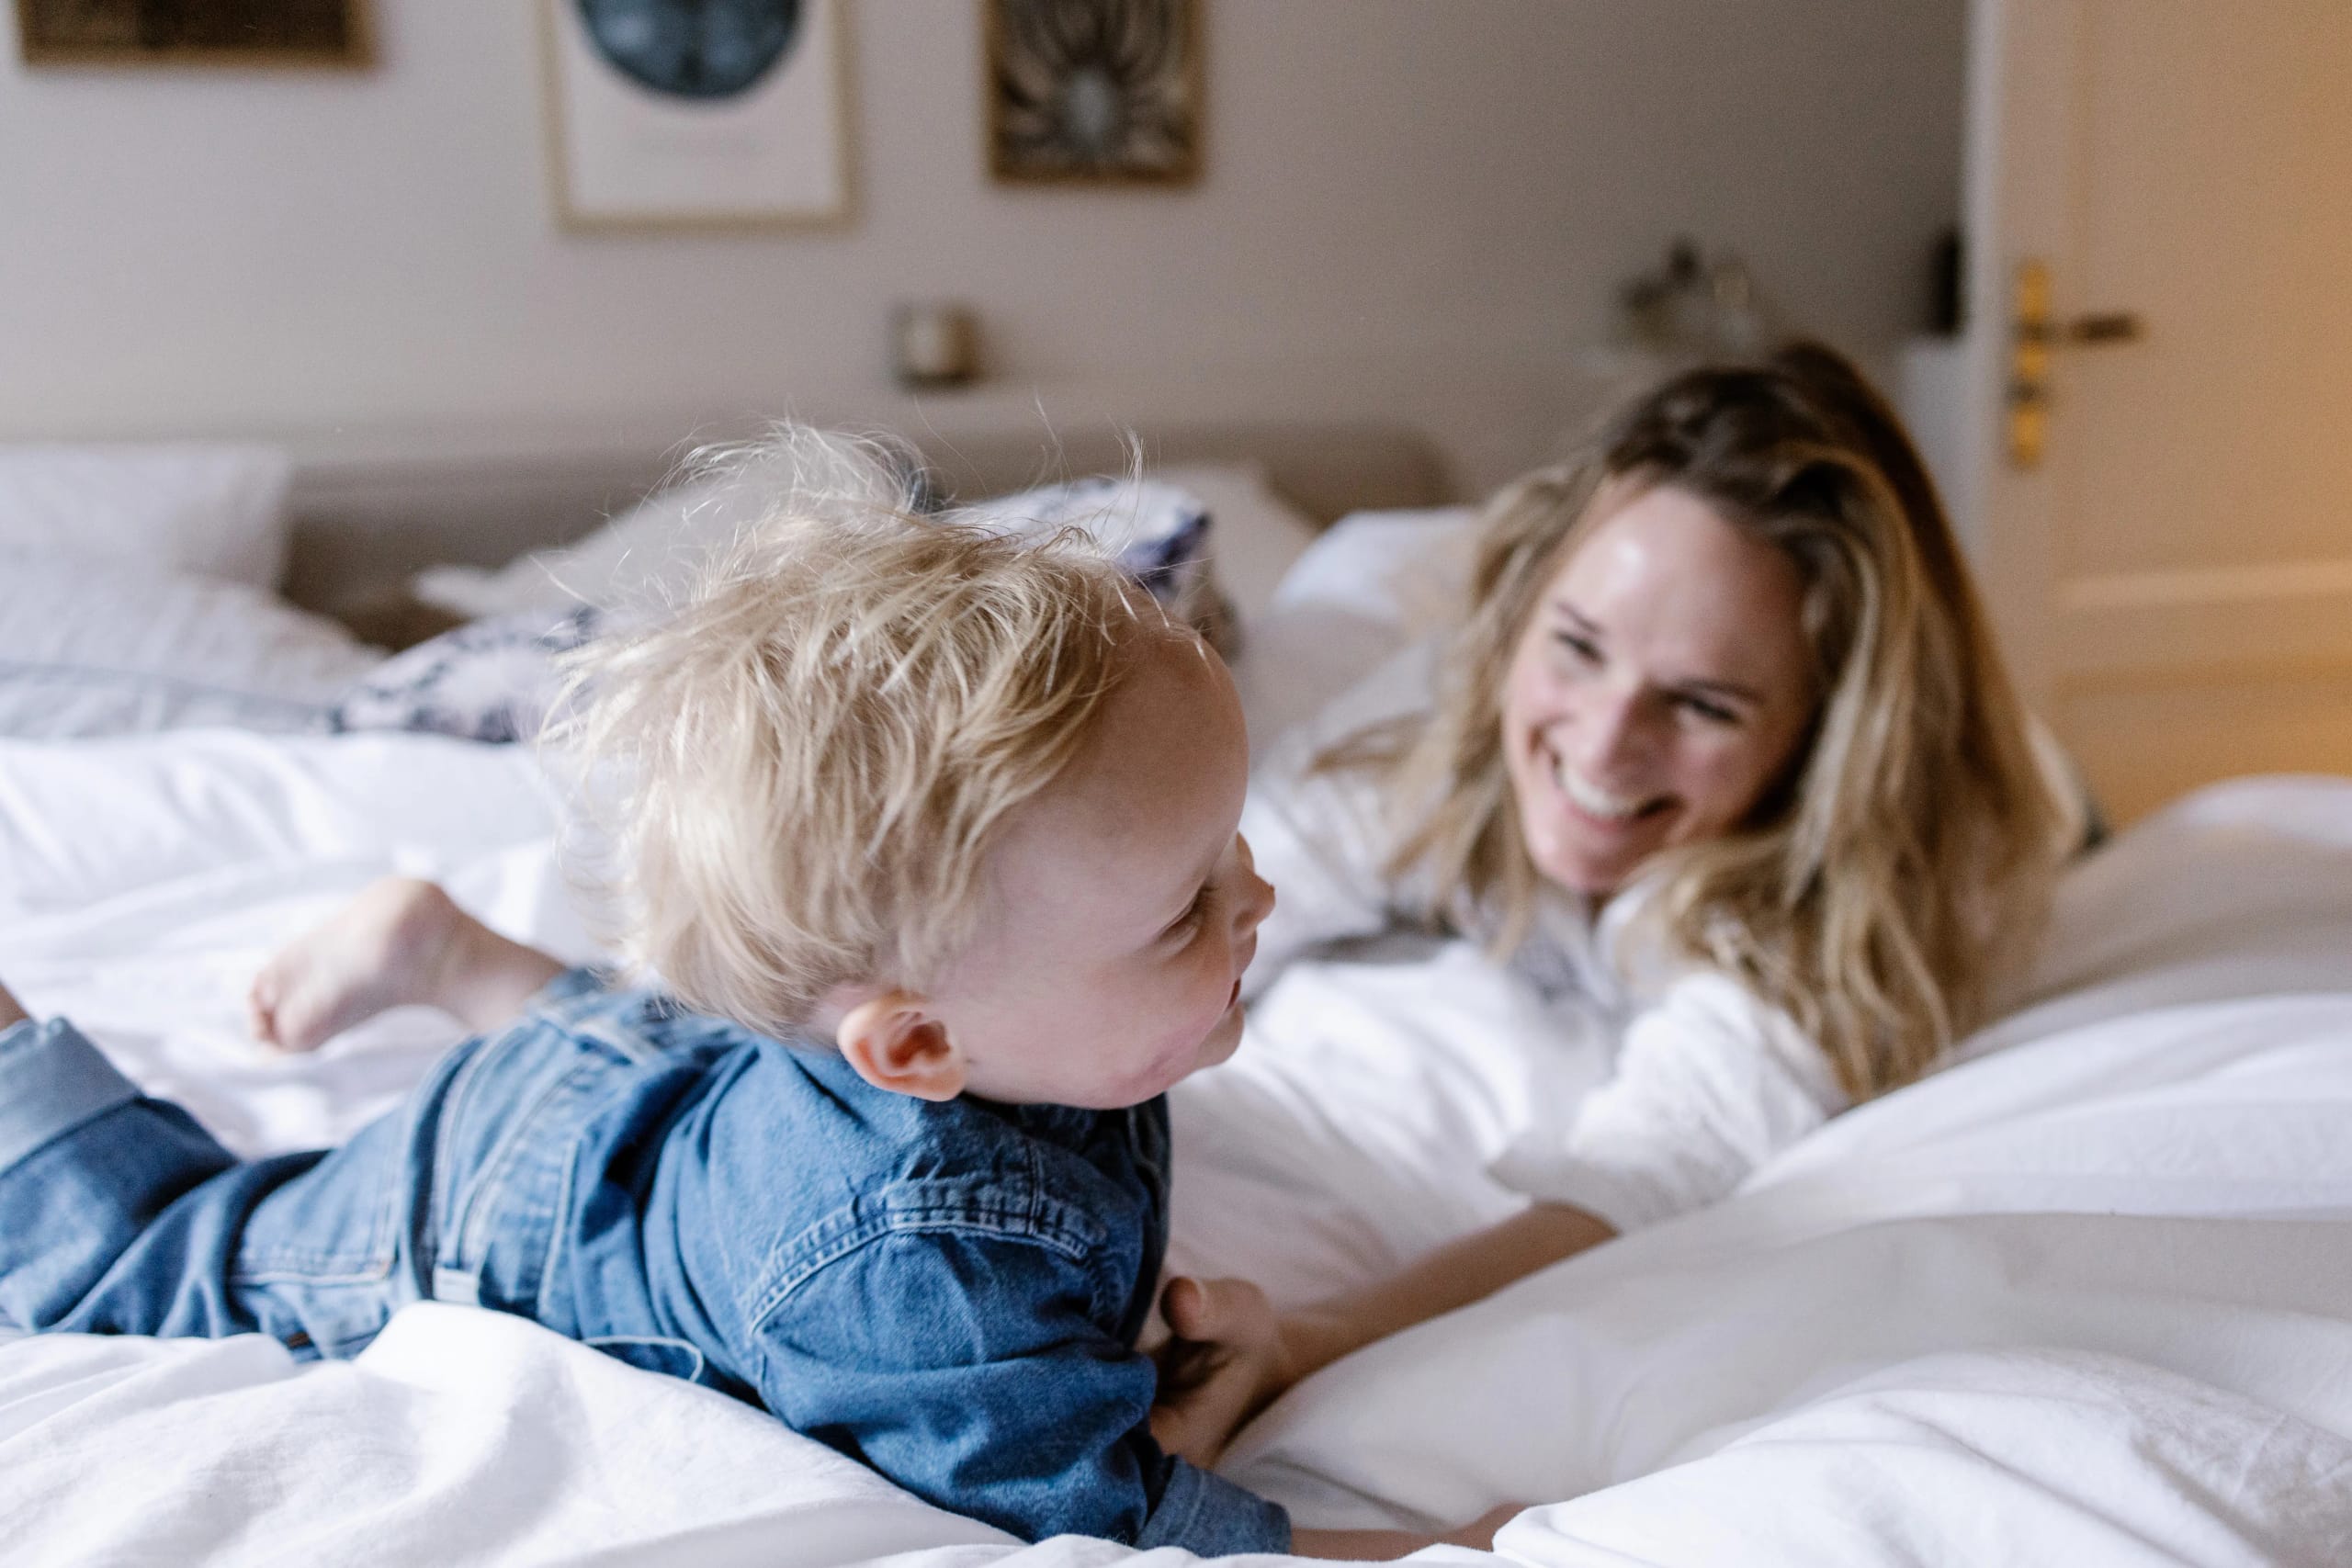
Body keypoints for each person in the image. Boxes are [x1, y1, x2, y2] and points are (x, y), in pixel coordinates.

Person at [0, 435, 1498, 1559]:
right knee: (158, 1257)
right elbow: (1102, 1520)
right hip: (478, 1208)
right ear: (915, 1045)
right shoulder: (924, 1269)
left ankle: (465, 964)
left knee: (679, 1050)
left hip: (646, 1084)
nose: (1261, 901)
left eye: (1230, 850)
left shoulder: (981, 1013)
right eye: (1189, 906)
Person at [1151, 342, 2086, 1462]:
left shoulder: (1879, 869)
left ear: (1819, 735)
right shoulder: (1464, 697)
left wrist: (1302, 1345)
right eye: (1578, 646)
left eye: (1702, 703)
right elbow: (1236, 883)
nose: (1602, 744)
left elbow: (1633, 1188)